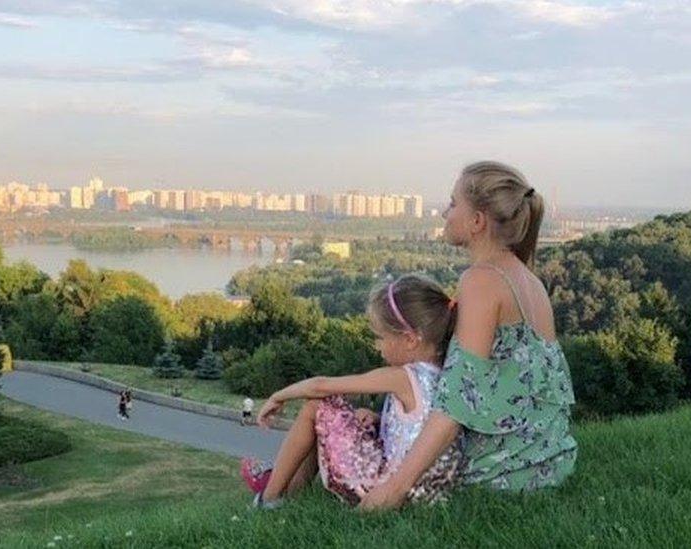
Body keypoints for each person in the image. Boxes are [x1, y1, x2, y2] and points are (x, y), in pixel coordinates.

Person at [359, 161, 577, 510]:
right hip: (548, 461)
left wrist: (393, 490)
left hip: (506, 473)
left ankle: (272, 499)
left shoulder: (481, 280)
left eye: (452, 203)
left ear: (477, 222)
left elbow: (457, 403)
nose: (445, 213)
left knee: (339, 438)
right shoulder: (527, 279)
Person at [243, 274, 464, 508]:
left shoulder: (402, 377)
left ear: (410, 340)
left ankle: (267, 500)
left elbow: (321, 386)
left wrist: (278, 397)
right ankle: (290, 493)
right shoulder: (444, 374)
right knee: (334, 419)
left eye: (380, 337)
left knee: (317, 406)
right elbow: (417, 427)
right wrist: (379, 420)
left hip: (385, 489)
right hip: (425, 494)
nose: (376, 345)